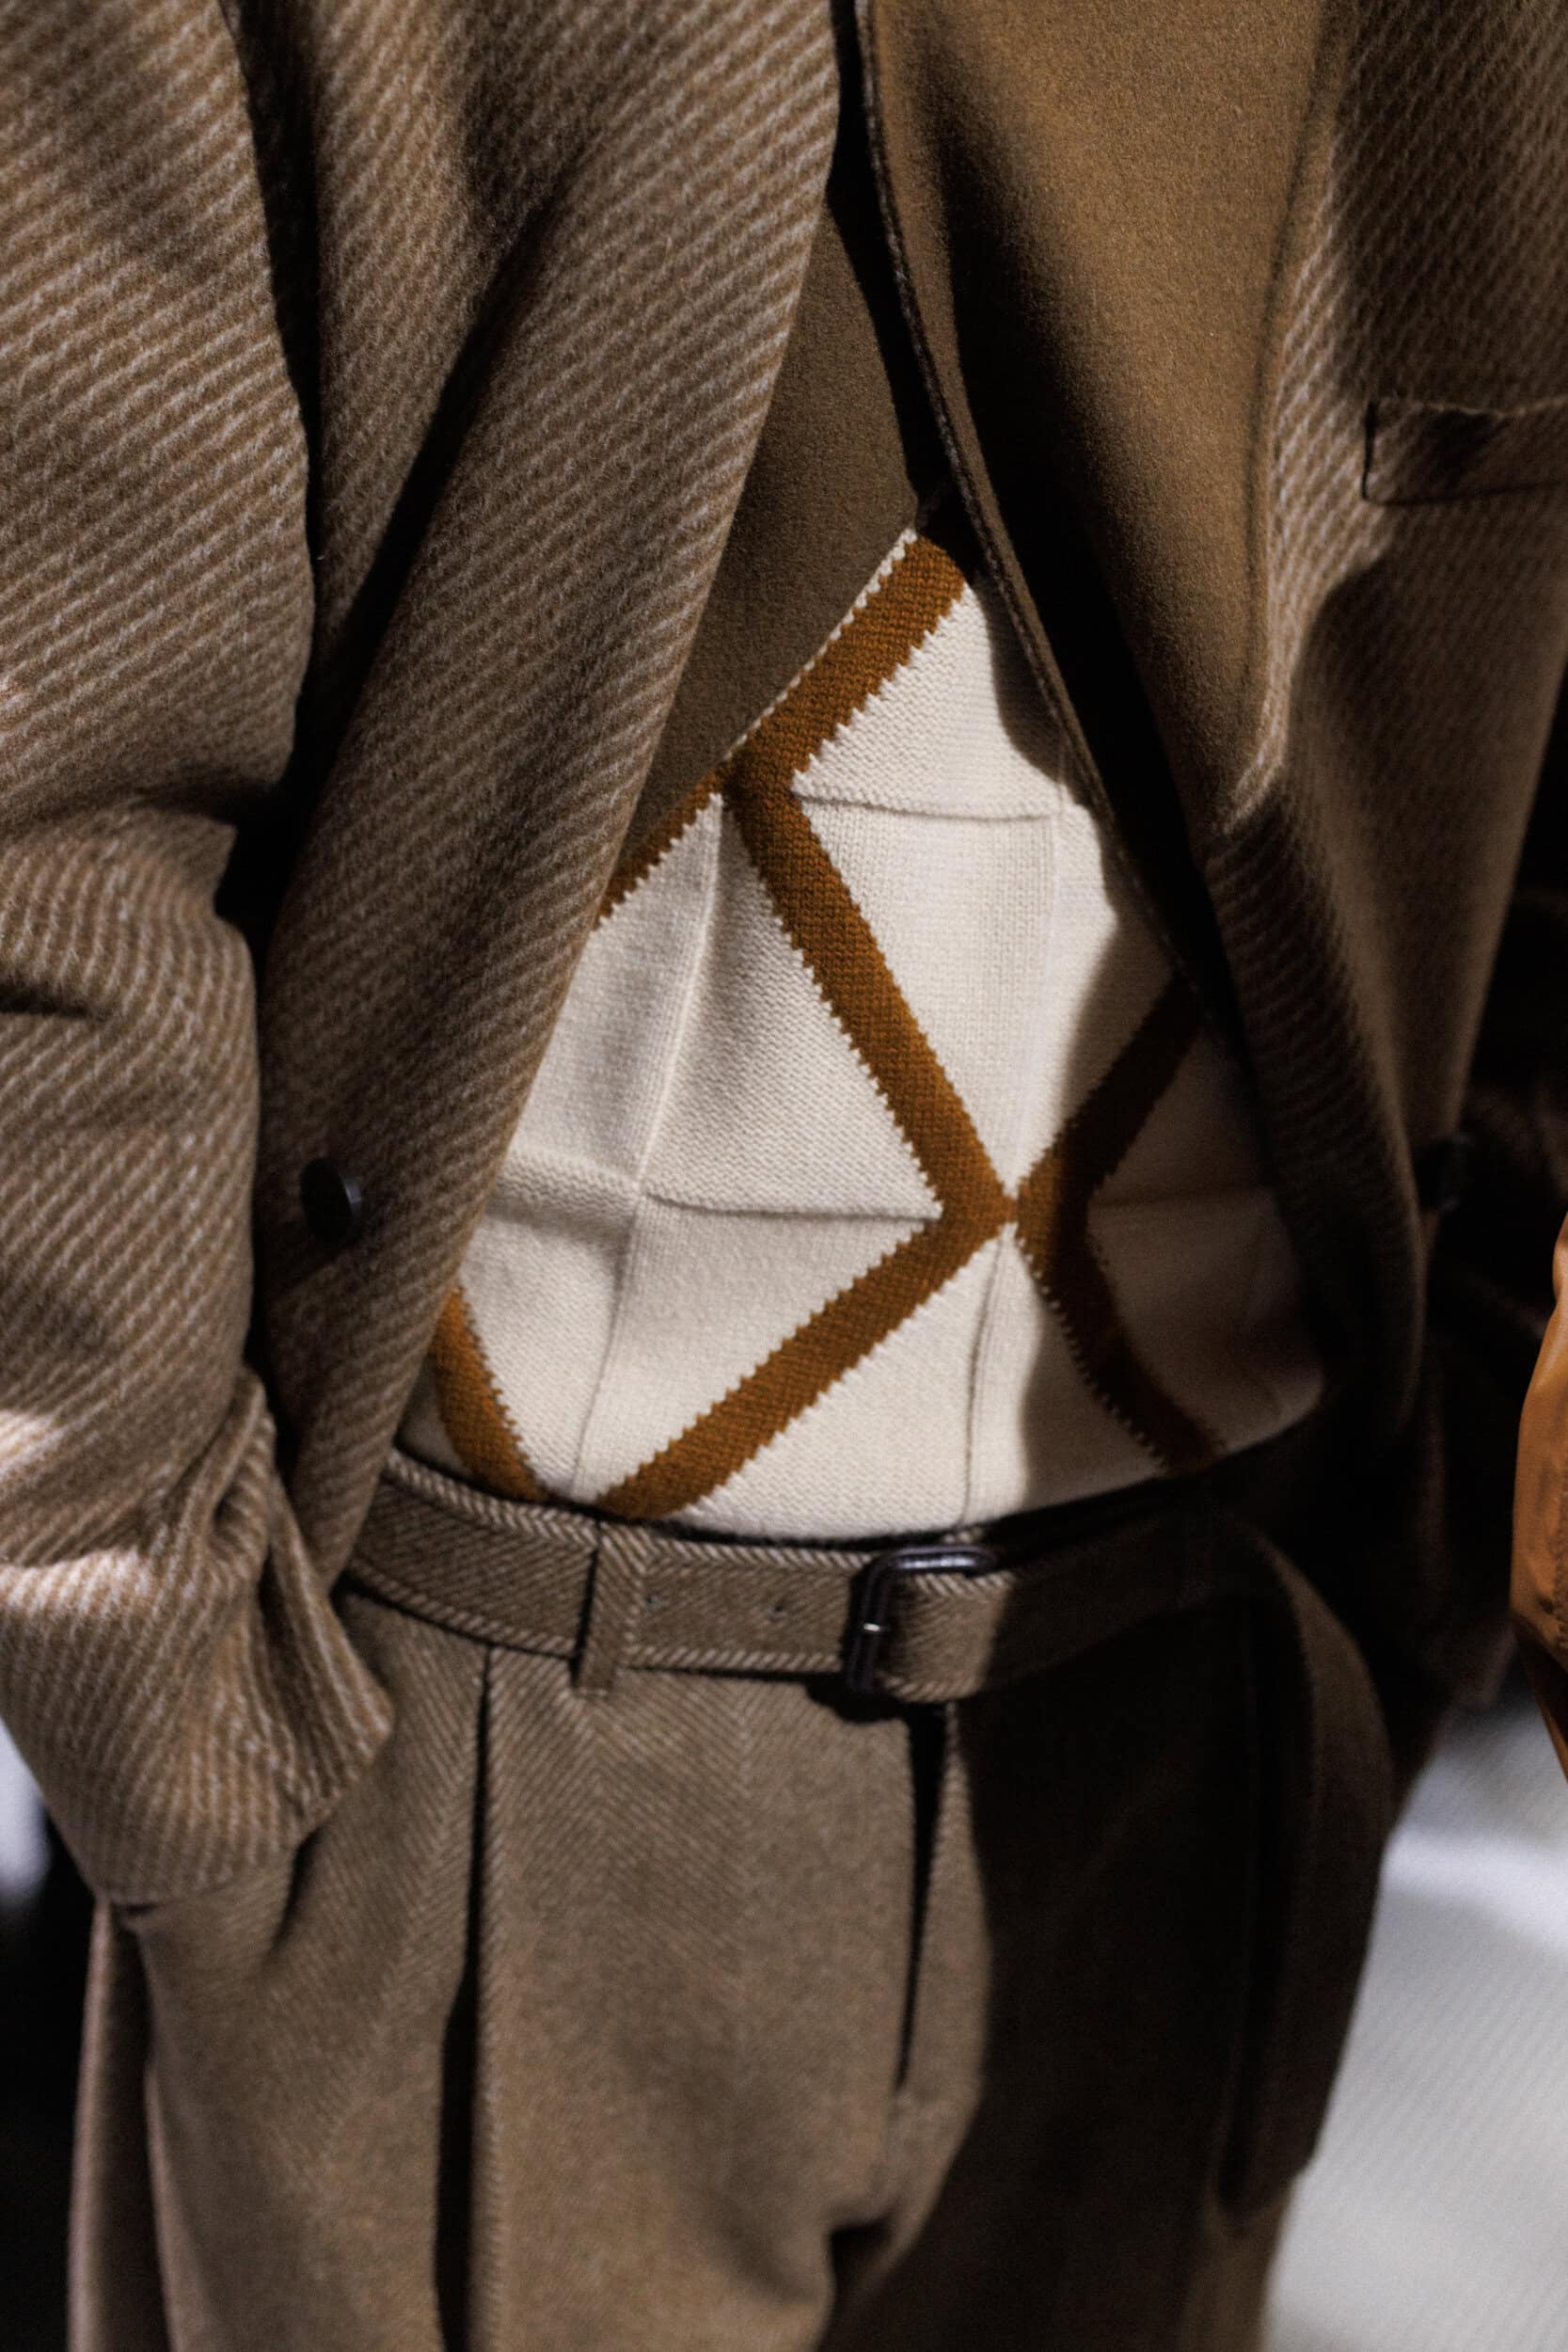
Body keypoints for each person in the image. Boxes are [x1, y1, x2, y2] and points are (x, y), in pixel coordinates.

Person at [4, 4, 1566, 2346]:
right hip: (470, 1712)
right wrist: (163, 1696)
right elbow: (53, 798)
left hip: (1209, 1686)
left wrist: (1439, 1498)